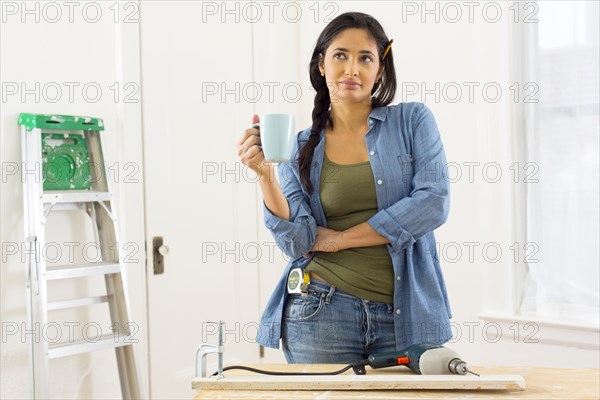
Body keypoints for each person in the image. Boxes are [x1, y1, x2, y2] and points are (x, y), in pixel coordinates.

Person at [236, 12, 452, 364]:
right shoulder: (299, 146)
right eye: (340, 55)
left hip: (409, 316)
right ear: (321, 64)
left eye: (364, 58)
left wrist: (340, 239)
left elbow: (433, 203)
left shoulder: (413, 121)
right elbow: (299, 242)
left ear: (379, 70)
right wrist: (264, 175)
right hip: (320, 312)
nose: (352, 69)